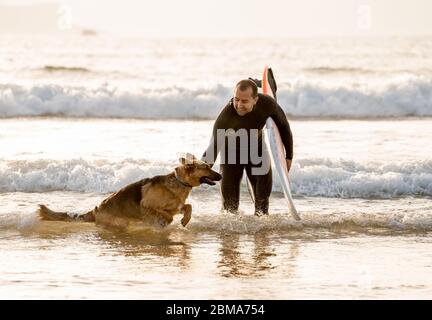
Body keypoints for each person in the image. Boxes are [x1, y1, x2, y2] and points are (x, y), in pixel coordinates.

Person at [202, 74, 293, 216]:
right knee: (229, 211)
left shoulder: (267, 105)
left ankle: (261, 238)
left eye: (244, 101)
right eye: (236, 99)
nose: (239, 105)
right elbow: (213, 147)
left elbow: (284, 128)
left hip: (257, 152)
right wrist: (202, 171)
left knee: (262, 209)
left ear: (255, 100)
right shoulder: (226, 117)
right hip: (231, 156)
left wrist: (288, 156)